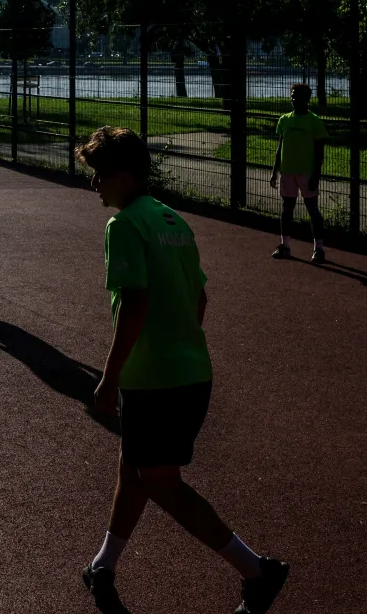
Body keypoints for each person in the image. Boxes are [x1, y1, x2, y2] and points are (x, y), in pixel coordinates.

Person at [75, 126, 289, 614]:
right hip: (191, 369)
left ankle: (256, 570)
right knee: (135, 468)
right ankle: (103, 565)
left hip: (155, 378)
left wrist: (110, 375)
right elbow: (200, 298)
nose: (96, 185)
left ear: (125, 177)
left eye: (101, 176)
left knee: (161, 482)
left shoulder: (124, 225)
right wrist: (180, 342)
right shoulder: (173, 220)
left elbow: (134, 303)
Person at [267, 82, 329, 264]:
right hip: (287, 172)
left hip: (307, 173)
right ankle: (285, 246)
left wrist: (316, 176)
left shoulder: (314, 121)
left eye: (299, 97)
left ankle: (319, 249)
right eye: (292, 96)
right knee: (287, 209)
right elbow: (280, 147)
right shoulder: (284, 120)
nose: (294, 99)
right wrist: (274, 171)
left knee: (313, 210)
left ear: (307, 99)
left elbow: (319, 153)